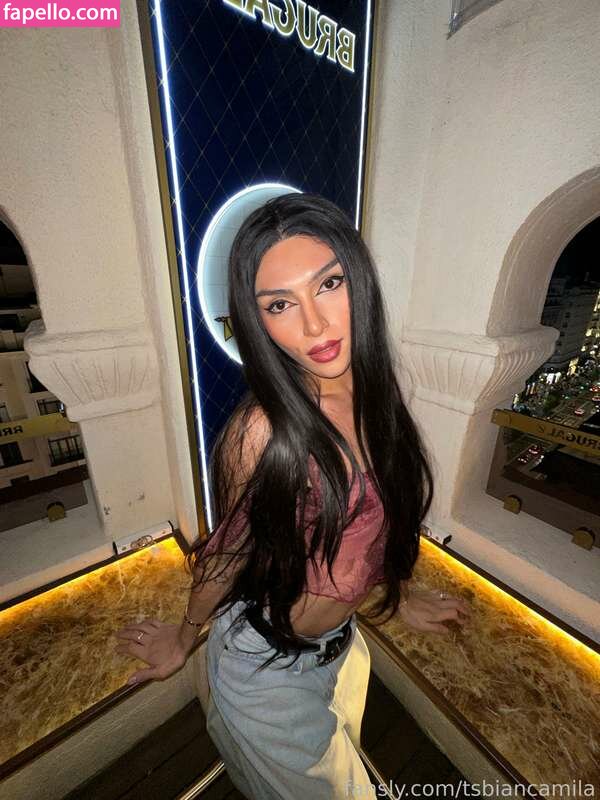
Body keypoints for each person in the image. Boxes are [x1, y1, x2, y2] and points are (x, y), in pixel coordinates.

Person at [114, 192, 472, 798]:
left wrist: (398, 595)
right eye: (280, 304)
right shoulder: (262, 431)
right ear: (257, 321)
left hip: (343, 648)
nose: (314, 325)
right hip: (266, 669)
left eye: (329, 284)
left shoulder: (377, 396)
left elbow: (372, 525)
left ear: (358, 280)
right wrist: (184, 633)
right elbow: (230, 552)